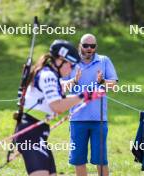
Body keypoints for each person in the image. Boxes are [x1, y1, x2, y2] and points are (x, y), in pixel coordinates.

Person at [15, 39, 104, 176]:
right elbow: (57, 106)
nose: (72, 69)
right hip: (30, 134)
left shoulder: (51, 75)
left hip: (38, 133)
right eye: (71, 64)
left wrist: (88, 94)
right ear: (61, 60)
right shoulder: (48, 75)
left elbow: (61, 95)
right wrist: (85, 96)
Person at [67, 34, 118, 176]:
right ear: (80, 46)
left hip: (99, 120)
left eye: (92, 46)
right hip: (77, 120)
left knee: (101, 160)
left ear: (96, 47)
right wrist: (74, 81)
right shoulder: (71, 63)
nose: (89, 48)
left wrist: (102, 82)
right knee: (79, 160)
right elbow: (62, 86)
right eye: (86, 45)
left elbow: (113, 85)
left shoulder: (104, 61)